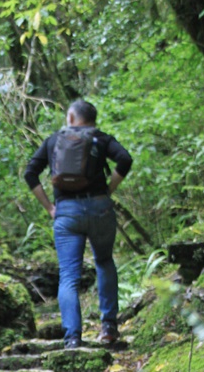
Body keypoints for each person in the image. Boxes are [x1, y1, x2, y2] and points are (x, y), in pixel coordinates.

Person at [24, 99, 132, 348]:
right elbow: (125, 160)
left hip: (66, 213)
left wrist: (50, 207)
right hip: (100, 208)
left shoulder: (54, 140)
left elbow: (30, 173)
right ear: (93, 119)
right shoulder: (101, 138)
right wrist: (108, 190)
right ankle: (108, 329)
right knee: (104, 261)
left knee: (69, 275)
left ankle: (72, 338)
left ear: (71, 118)